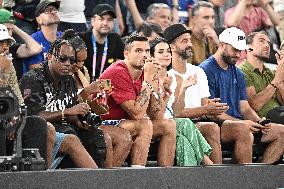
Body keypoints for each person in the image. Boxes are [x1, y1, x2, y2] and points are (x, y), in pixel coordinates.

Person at [0, 28, 97, 169]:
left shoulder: (9, 66)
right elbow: (29, 112)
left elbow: (18, 103)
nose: (5, 47)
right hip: (13, 124)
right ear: (50, 57)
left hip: (15, 124)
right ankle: (42, 179)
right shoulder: (32, 78)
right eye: (1, 42)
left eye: (7, 43)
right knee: (49, 129)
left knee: (88, 138)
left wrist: (77, 119)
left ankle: (100, 181)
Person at [19, 38, 119, 168]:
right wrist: (66, 112)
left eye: (72, 60)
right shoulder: (32, 79)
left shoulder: (69, 80)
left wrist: (80, 121)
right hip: (40, 133)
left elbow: (71, 112)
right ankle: (96, 181)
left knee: (102, 137)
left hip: (65, 129)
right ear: (49, 57)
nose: (67, 63)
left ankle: (107, 179)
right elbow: (34, 118)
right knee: (71, 140)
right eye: (62, 58)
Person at [199, 27, 284, 164]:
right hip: (219, 124)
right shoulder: (205, 70)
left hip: (237, 122)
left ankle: (258, 177)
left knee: (281, 132)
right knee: (243, 130)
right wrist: (243, 122)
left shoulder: (237, 72)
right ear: (222, 45)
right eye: (235, 50)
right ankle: (246, 180)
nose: (238, 55)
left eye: (240, 50)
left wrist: (259, 121)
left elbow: (245, 108)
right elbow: (213, 113)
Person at [100, 34, 176, 167]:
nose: (145, 55)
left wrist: (163, 92)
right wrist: (148, 80)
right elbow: (137, 114)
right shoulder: (118, 72)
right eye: (138, 51)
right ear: (126, 53)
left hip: (125, 122)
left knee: (168, 125)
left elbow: (157, 115)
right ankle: (137, 175)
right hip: (100, 123)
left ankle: (166, 176)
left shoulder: (145, 72)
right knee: (144, 124)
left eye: (147, 51)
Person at [62, 29, 133, 167]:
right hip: (69, 123)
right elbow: (65, 104)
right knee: (104, 138)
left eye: (84, 61)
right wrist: (88, 90)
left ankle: (111, 179)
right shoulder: (62, 72)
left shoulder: (83, 71)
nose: (80, 65)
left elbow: (87, 104)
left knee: (125, 137)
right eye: (77, 60)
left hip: (87, 121)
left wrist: (102, 97)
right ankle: (104, 179)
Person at [163, 24, 226, 164]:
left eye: (190, 40)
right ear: (171, 47)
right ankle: (217, 173)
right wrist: (205, 109)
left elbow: (205, 105)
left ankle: (219, 175)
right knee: (211, 128)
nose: (190, 44)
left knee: (213, 126)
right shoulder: (166, 75)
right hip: (177, 123)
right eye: (184, 41)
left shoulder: (198, 71)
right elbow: (176, 113)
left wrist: (214, 108)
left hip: (200, 120)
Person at [149, 37, 213, 165]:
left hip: (172, 123)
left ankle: (188, 181)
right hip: (156, 123)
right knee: (185, 123)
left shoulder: (174, 77)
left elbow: (176, 112)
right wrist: (165, 93)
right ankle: (209, 164)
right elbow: (155, 114)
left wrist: (183, 88)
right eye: (160, 52)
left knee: (184, 142)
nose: (166, 54)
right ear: (151, 55)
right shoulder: (148, 78)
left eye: (168, 51)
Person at [239, 31, 284, 124]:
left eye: (268, 42)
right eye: (261, 41)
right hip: (263, 118)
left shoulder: (269, 72)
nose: (267, 45)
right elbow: (254, 105)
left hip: (279, 111)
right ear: (249, 48)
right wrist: (275, 81)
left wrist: (280, 74)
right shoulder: (242, 71)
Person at [81, 4, 124, 81]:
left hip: (104, 86)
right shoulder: (82, 39)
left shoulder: (115, 39)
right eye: (101, 19)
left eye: (109, 20)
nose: (105, 23)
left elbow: (123, 65)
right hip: (83, 85)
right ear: (93, 21)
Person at [0, 10, 42, 80]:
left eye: (11, 30)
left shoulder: (12, 48)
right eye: (6, 29)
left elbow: (36, 49)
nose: (10, 34)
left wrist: (14, 27)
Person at [23, 0, 61, 74]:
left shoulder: (65, 37)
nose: (53, 12)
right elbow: (34, 69)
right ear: (39, 20)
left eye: (55, 10)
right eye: (47, 10)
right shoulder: (33, 40)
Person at [189, 1, 219, 65]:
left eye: (213, 17)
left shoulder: (212, 37)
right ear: (194, 19)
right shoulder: (187, 39)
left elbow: (223, 65)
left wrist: (217, 43)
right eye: (206, 17)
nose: (211, 21)